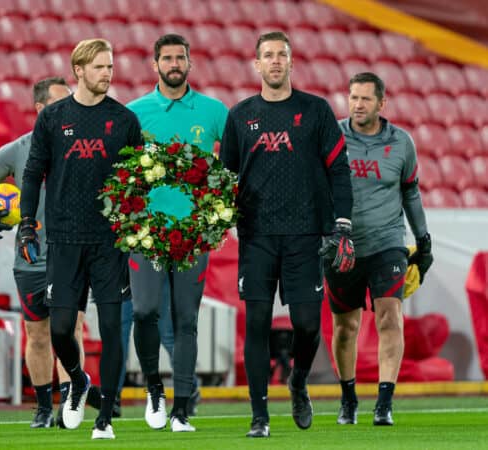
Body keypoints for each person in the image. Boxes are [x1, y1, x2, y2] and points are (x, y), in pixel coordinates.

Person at [219, 31, 355, 438]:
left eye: (282, 55)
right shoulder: (240, 116)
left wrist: (343, 225)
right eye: (268, 55)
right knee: (257, 322)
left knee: (307, 324)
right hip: (257, 235)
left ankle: (297, 381)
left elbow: (339, 171)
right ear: (256, 65)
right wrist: (216, 215)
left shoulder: (316, 111)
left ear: (291, 63)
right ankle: (259, 417)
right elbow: (224, 177)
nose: (275, 61)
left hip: (306, 235)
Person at [19, 39, 142, 440]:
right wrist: (25, 223)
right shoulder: (53, 119)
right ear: (79, 70)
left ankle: (104, 417)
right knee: (59, 330)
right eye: (100, 67)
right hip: (65, 240)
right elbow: (33, 173)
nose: (108, 73)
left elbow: (137, 180)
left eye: (111, 66)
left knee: (111, 328)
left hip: (109, 243)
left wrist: (137, 220)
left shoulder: (124, 120)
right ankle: (78, 379)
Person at [0, 77, 102, 429]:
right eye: (60, 103)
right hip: (30, 259)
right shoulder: (16, 150)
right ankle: (43, 407)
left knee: (70, 330)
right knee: (38, 335)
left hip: (72, 256)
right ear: (41, 110)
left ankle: (70, 403)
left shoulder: (85, 146)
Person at [125, 33, 228, 432]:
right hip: (147, 235)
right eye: (166, 58)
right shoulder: (134, 113)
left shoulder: (215, 111)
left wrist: (219, 216)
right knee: (144, 312)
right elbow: (122, 172)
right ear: (155, 65)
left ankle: (182, 408)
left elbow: (233, 167)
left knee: (187, 320)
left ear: (190, 62)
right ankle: (154, 388)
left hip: (194, 236)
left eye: (180, 57)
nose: (173, 63)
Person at [326, 72, 433, 427]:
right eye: (352, 97)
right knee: (345, 327)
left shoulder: (402, 142)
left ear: (381, 103)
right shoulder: (332, 136)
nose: (357, 105)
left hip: (388, 243)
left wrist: (424, 238)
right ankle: (348, 397)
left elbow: (410, 192)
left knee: (390, 315)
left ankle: (384, 402)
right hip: (343, 246)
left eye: (365, 99)